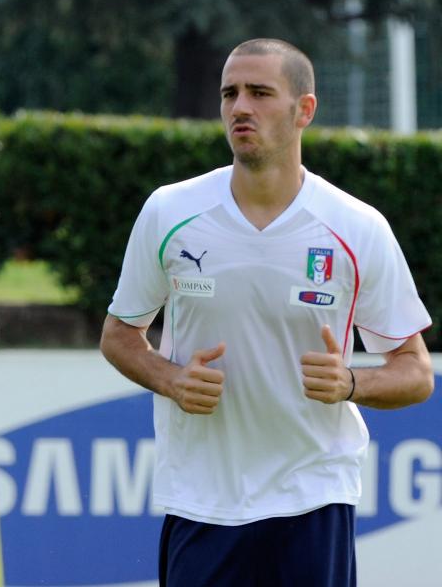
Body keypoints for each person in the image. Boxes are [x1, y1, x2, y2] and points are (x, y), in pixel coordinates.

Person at [100, 38, 433, 587]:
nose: (240, 108)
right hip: (202, 499)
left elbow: (416, 371)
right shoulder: (170, 212)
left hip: (313, 497)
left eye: (260, 93)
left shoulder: (356, 227)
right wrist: (172, 379)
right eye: (230, 94)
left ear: (305, 110)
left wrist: (351, 382)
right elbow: (119, 334)